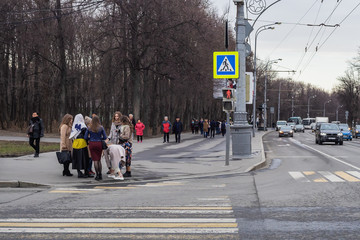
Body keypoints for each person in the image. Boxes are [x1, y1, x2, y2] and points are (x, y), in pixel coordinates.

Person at [84, 115, 107, 181]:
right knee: (99, 160)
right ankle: (100, 175)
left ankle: (97, 175)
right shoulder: (101, 127)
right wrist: (100, 138)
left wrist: (90, 138)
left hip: (92, 143)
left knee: (95, 160)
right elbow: (105, 137)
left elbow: (85, 137)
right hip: (99, 143)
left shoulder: (89, 127)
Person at [70, 114, 90, 178]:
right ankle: (85, 172)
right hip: (82, 143)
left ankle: (79, 172)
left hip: (75, 143)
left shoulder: (73, 126)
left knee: (77, 158)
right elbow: (86, 135)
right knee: (84, 158)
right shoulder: (83, 125)